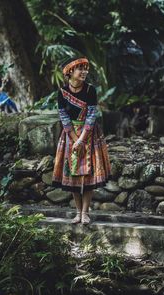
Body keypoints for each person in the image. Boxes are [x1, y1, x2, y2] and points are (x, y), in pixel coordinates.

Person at [52, 56, 112, 225]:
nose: (85, 72)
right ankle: (77, 213)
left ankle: (85, 213)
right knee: (73, 176)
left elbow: (92, 114)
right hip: (70, 135)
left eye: (86, 69)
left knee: (88, 175)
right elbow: (63, 116)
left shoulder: (89, 90)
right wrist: (74, 139)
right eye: (81, 69)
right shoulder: (62, 92)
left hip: (89, 135)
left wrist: (82, 139)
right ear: (70, 71)